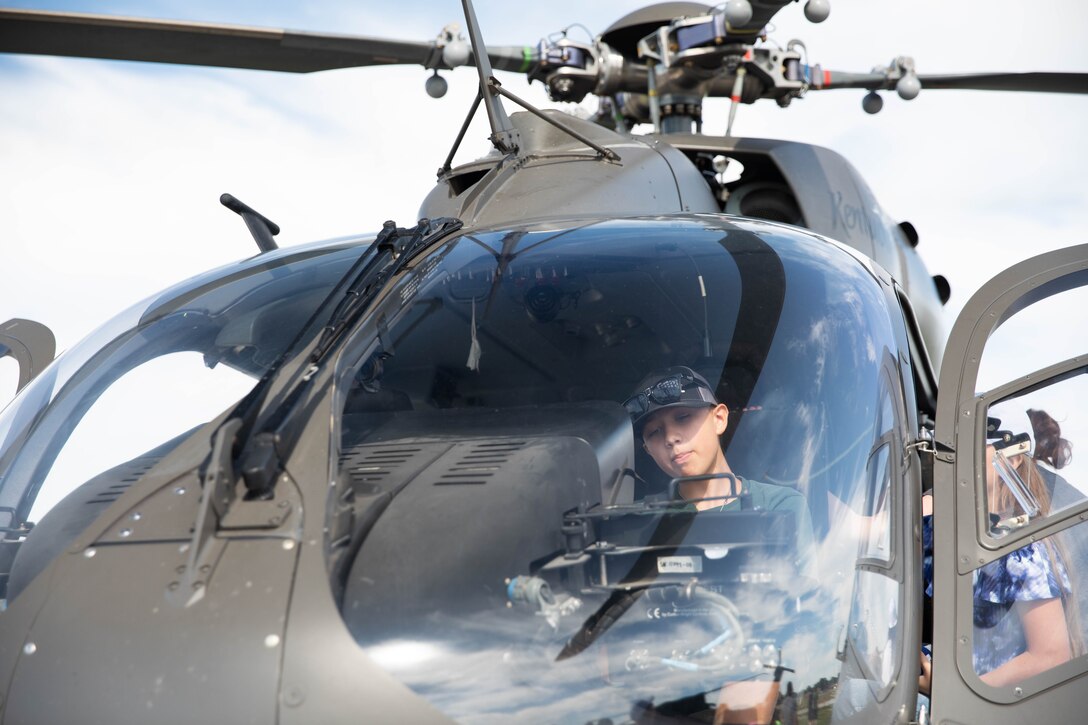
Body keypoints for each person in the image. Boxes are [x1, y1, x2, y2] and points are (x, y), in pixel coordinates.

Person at [919, 409, 1077, 692]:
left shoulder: (1024, 550)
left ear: (1014, 457)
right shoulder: (954, 526)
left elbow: (1051, 656)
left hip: (984, 702)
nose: (957, 454)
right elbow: (868, 530)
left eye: (972, 441)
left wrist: (950, 689)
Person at [623, 366, 815, 559]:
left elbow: (803, 586)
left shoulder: (779, 506)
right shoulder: (640, 524)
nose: (670, 438)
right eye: (654, 432)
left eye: (682, 418)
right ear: (648, 449)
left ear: (720, 419)